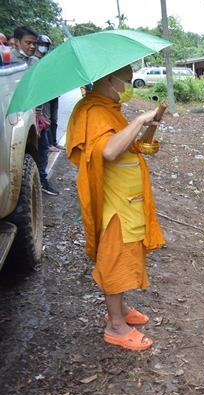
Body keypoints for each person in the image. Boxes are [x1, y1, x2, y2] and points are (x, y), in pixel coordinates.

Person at [66, 65, 165, 351]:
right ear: (110, 79)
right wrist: (139, 120)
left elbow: (118, 143)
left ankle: (119, 310)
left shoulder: (109, 107)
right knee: (115, 261)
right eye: (127, 80)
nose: (129, 86)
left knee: (126, 255)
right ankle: (116, 327)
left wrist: (140, 141)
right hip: (114, 204)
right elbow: (108, 151)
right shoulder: (93, 110)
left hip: (128, 200)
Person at [35, 34, 63, 152]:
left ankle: (54, 142)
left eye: (45, 45)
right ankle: (49, 144)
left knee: (54, 119)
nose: (43, 47)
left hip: (53, 92)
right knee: (47, 119)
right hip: (44, 94)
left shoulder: (49, 59)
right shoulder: (34, 60)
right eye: (41, 44)